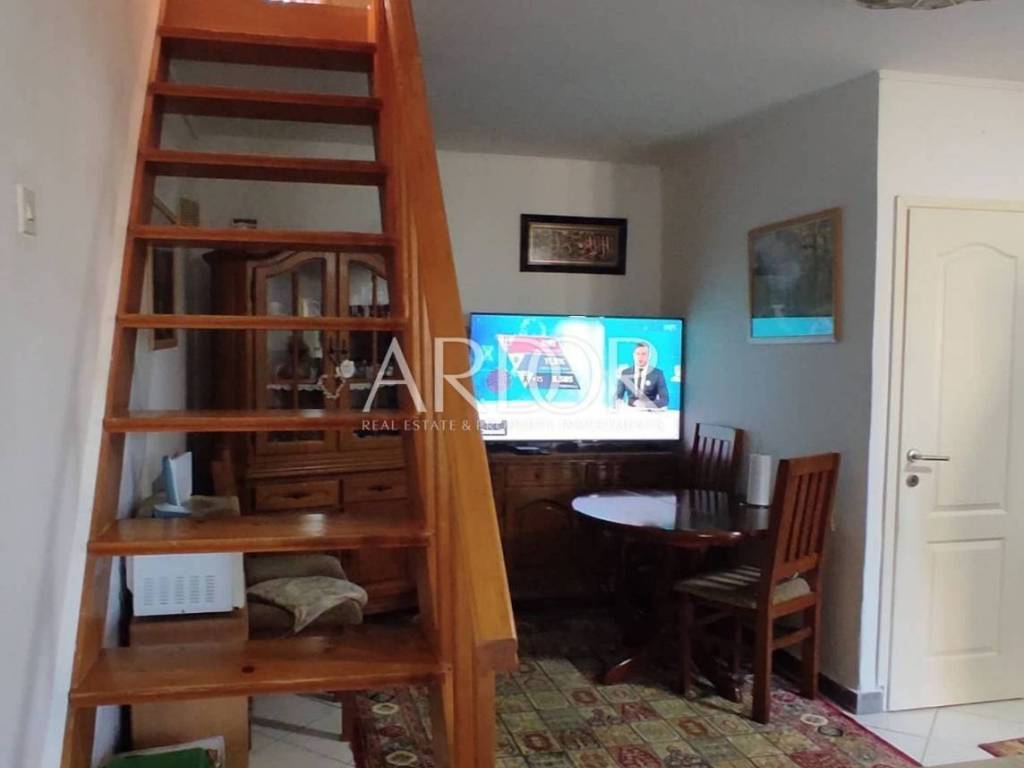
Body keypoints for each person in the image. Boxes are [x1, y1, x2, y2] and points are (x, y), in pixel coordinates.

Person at [614, 342, 669, 409]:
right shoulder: (625, 373)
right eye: (637, 354)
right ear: (633, 355)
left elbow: (665, 400)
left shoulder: (657, 374)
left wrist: (646, 405)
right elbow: (617, 396)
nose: (640, 357)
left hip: (650, 412)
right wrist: (619, 403)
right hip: (630, 413)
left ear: (649, 356)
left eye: (643, 354)